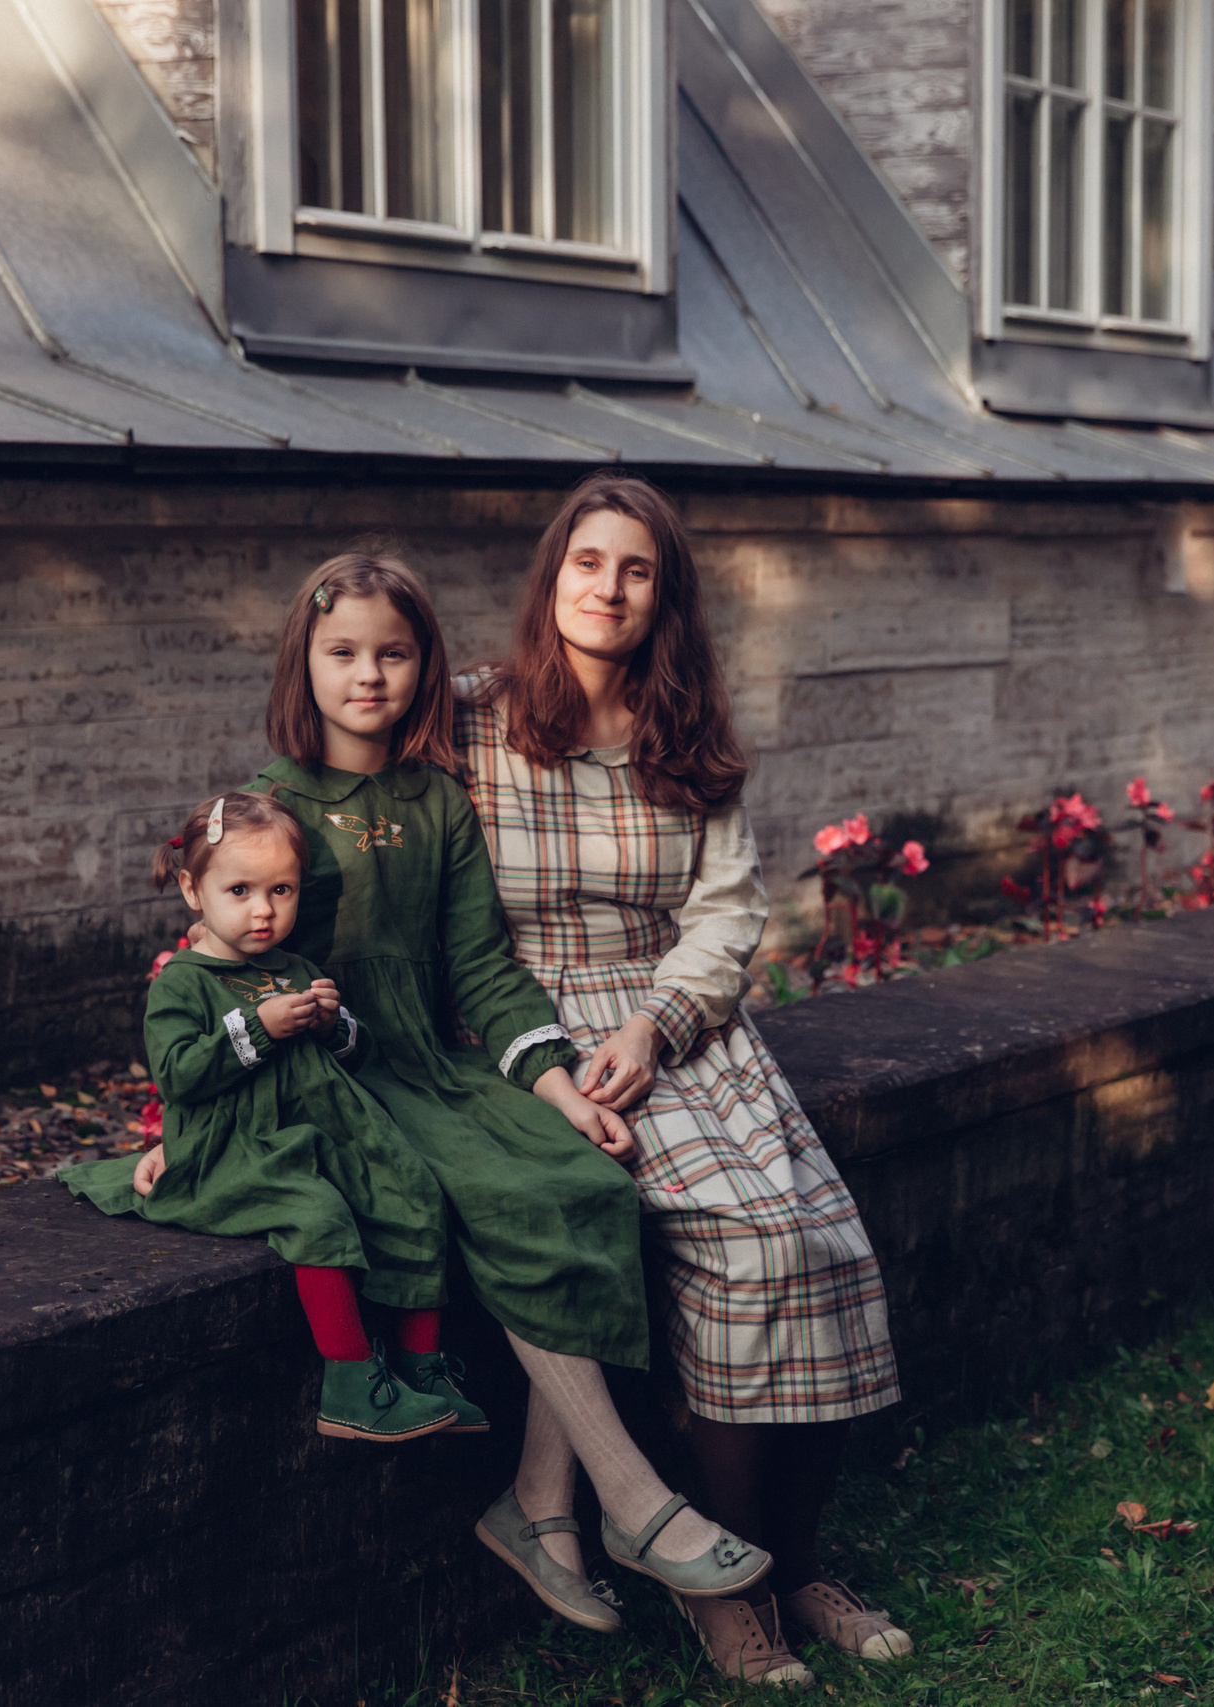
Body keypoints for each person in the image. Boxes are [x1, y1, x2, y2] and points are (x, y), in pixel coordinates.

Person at [126, 551, 775, 1629]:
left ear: (425, 665)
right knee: (506, 1201)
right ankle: (635, 1502)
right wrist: (194, 1124)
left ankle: (538, 1505)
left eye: (393, 652)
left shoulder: (438, 798)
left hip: (437, 1060)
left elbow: (481, 966)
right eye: (342, 652)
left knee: (586, 1181)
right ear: (303, 663)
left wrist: (560, 1089)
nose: (367, 675)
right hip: (331, 1079)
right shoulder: (271, 808)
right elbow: (213, 970)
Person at [459, 471, 906, 1687]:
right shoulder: (469, 725)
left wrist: (658, 1024)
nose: (607, 589)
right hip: (528, 1028)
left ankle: (795, 1565)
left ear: (665, 597)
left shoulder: (687, 737)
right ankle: (728, 1594)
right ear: (553, 576)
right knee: (745, 1252)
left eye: (636, 570)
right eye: (587, 562)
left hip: (669, 1022)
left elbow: (725, 913)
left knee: (820, 1243)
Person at [61, 789, 462, 1443]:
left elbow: (357, 1056)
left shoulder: (295, 969)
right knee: (316, 1214)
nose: (263, 910)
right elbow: (179, 1075)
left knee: (411, 1190)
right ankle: (352, 1385)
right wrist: (259, 1026)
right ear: (193, 891)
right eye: (240, 890)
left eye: (281, 890)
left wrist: (332, 1024)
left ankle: (423, 1367)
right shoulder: (183, 981)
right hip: (230, 1148)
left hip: (315, 1134)